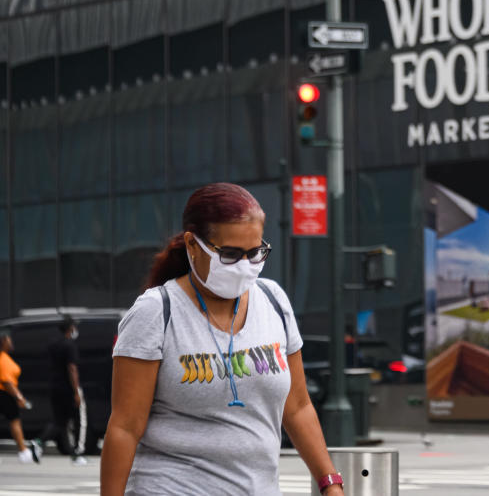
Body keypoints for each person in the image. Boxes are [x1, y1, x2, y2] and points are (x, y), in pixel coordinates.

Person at [101, 183, 345, 496]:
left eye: (255, 252)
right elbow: (124, 426)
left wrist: (330, 484)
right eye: (230, 254)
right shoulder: (155, 312)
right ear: (192, 244)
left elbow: (297, 407)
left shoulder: (273, 301)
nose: (245, 265)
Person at [34, 315, 87, 465]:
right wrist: (76, 391)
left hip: (54, 387)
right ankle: (78, 453)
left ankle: (39, 442)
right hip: (68, 388)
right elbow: (72, 368)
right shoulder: (70, 345)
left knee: (59, 422)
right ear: (71, 328)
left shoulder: (53, 345)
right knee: (79, 420)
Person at [0, 331, 42, 463]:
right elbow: (7, 382)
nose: (11, 342)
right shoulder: (3, 359)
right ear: (3, 342)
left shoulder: (5, 357)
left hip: (6, 393)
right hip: (4, 394)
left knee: (14, 421)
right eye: (8, 340)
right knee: (14, 421)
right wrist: (19, 397)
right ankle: (23, 451)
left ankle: (23, 451)